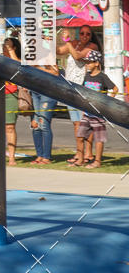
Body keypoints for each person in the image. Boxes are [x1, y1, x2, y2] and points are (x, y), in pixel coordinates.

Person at [57, 25, 99, 165]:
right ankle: (79, 152)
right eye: (82, 33)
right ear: (78, 34)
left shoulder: (92, 47)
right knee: (76, 123)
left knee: (86, 123)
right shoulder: (74, 43)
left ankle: (88, 153)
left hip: (84, 87)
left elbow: (77, 56)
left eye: (87, 34)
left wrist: (67, 42)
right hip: (71, 87)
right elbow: (58, 51)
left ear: (91, 36)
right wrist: (48, 40)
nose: (84, 36)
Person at [76, 49, 117, 168]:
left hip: (98, 114)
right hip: (87, 113)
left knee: (99, 138)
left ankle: (97, 161)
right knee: (80, 136)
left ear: (96, 63)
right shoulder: (87, 76)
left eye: (89, 62)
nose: (87, 64)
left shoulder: (102, 77)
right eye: (86, 62)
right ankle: (80, 159)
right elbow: (83, 91)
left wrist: (107, 102)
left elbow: (115, 89)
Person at [30, 65, 59, 165]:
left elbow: (55, 72)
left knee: (44, 125)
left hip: (47, 92)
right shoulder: (31, 57)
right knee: (35, 125)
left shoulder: (47, 57)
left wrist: (38, 67)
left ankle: (46, 157)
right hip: (34, 90)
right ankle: (39, 155)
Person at [2, 37, 23, 165]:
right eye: (4, 46)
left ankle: (11, 158)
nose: (5, 48)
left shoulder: (16, 60)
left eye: (8, 46)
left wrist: (10, 51)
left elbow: (18, 65)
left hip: (11, 94)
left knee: (9, 126)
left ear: (14, 48)